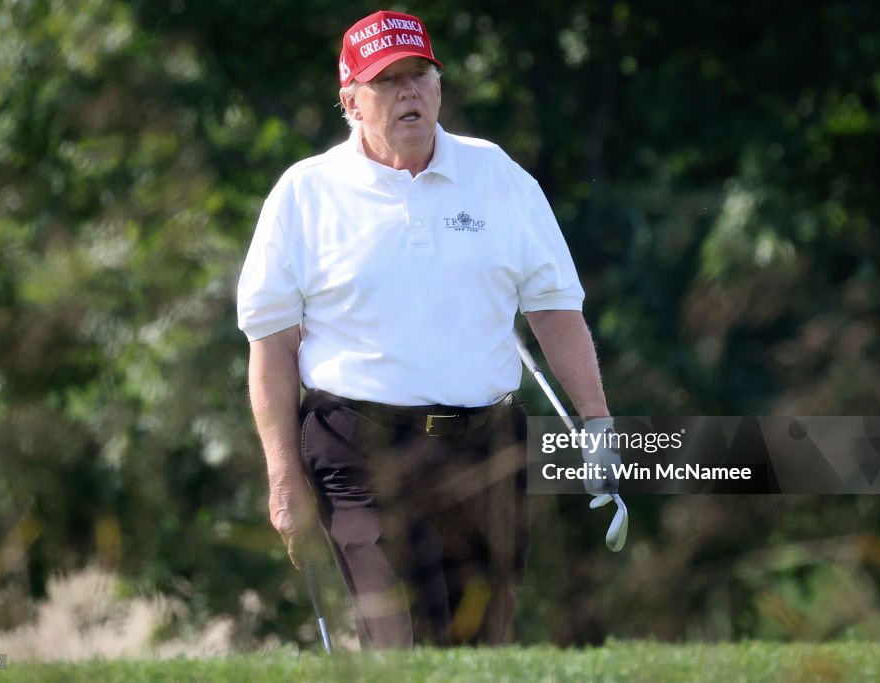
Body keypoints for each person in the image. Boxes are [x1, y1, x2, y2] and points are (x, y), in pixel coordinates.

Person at [238, 9, 611, 648]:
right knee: (400, 636)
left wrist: (597, 421)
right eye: (387, 81)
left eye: (421, 76)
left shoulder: (496, 176)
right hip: (359, 449)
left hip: (486, 445)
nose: (409, 93)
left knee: (479, 642)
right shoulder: (305, 194)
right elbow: (272, 344)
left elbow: (552, 307)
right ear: (350, 102)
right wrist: (282, 480)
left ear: (439, 87)